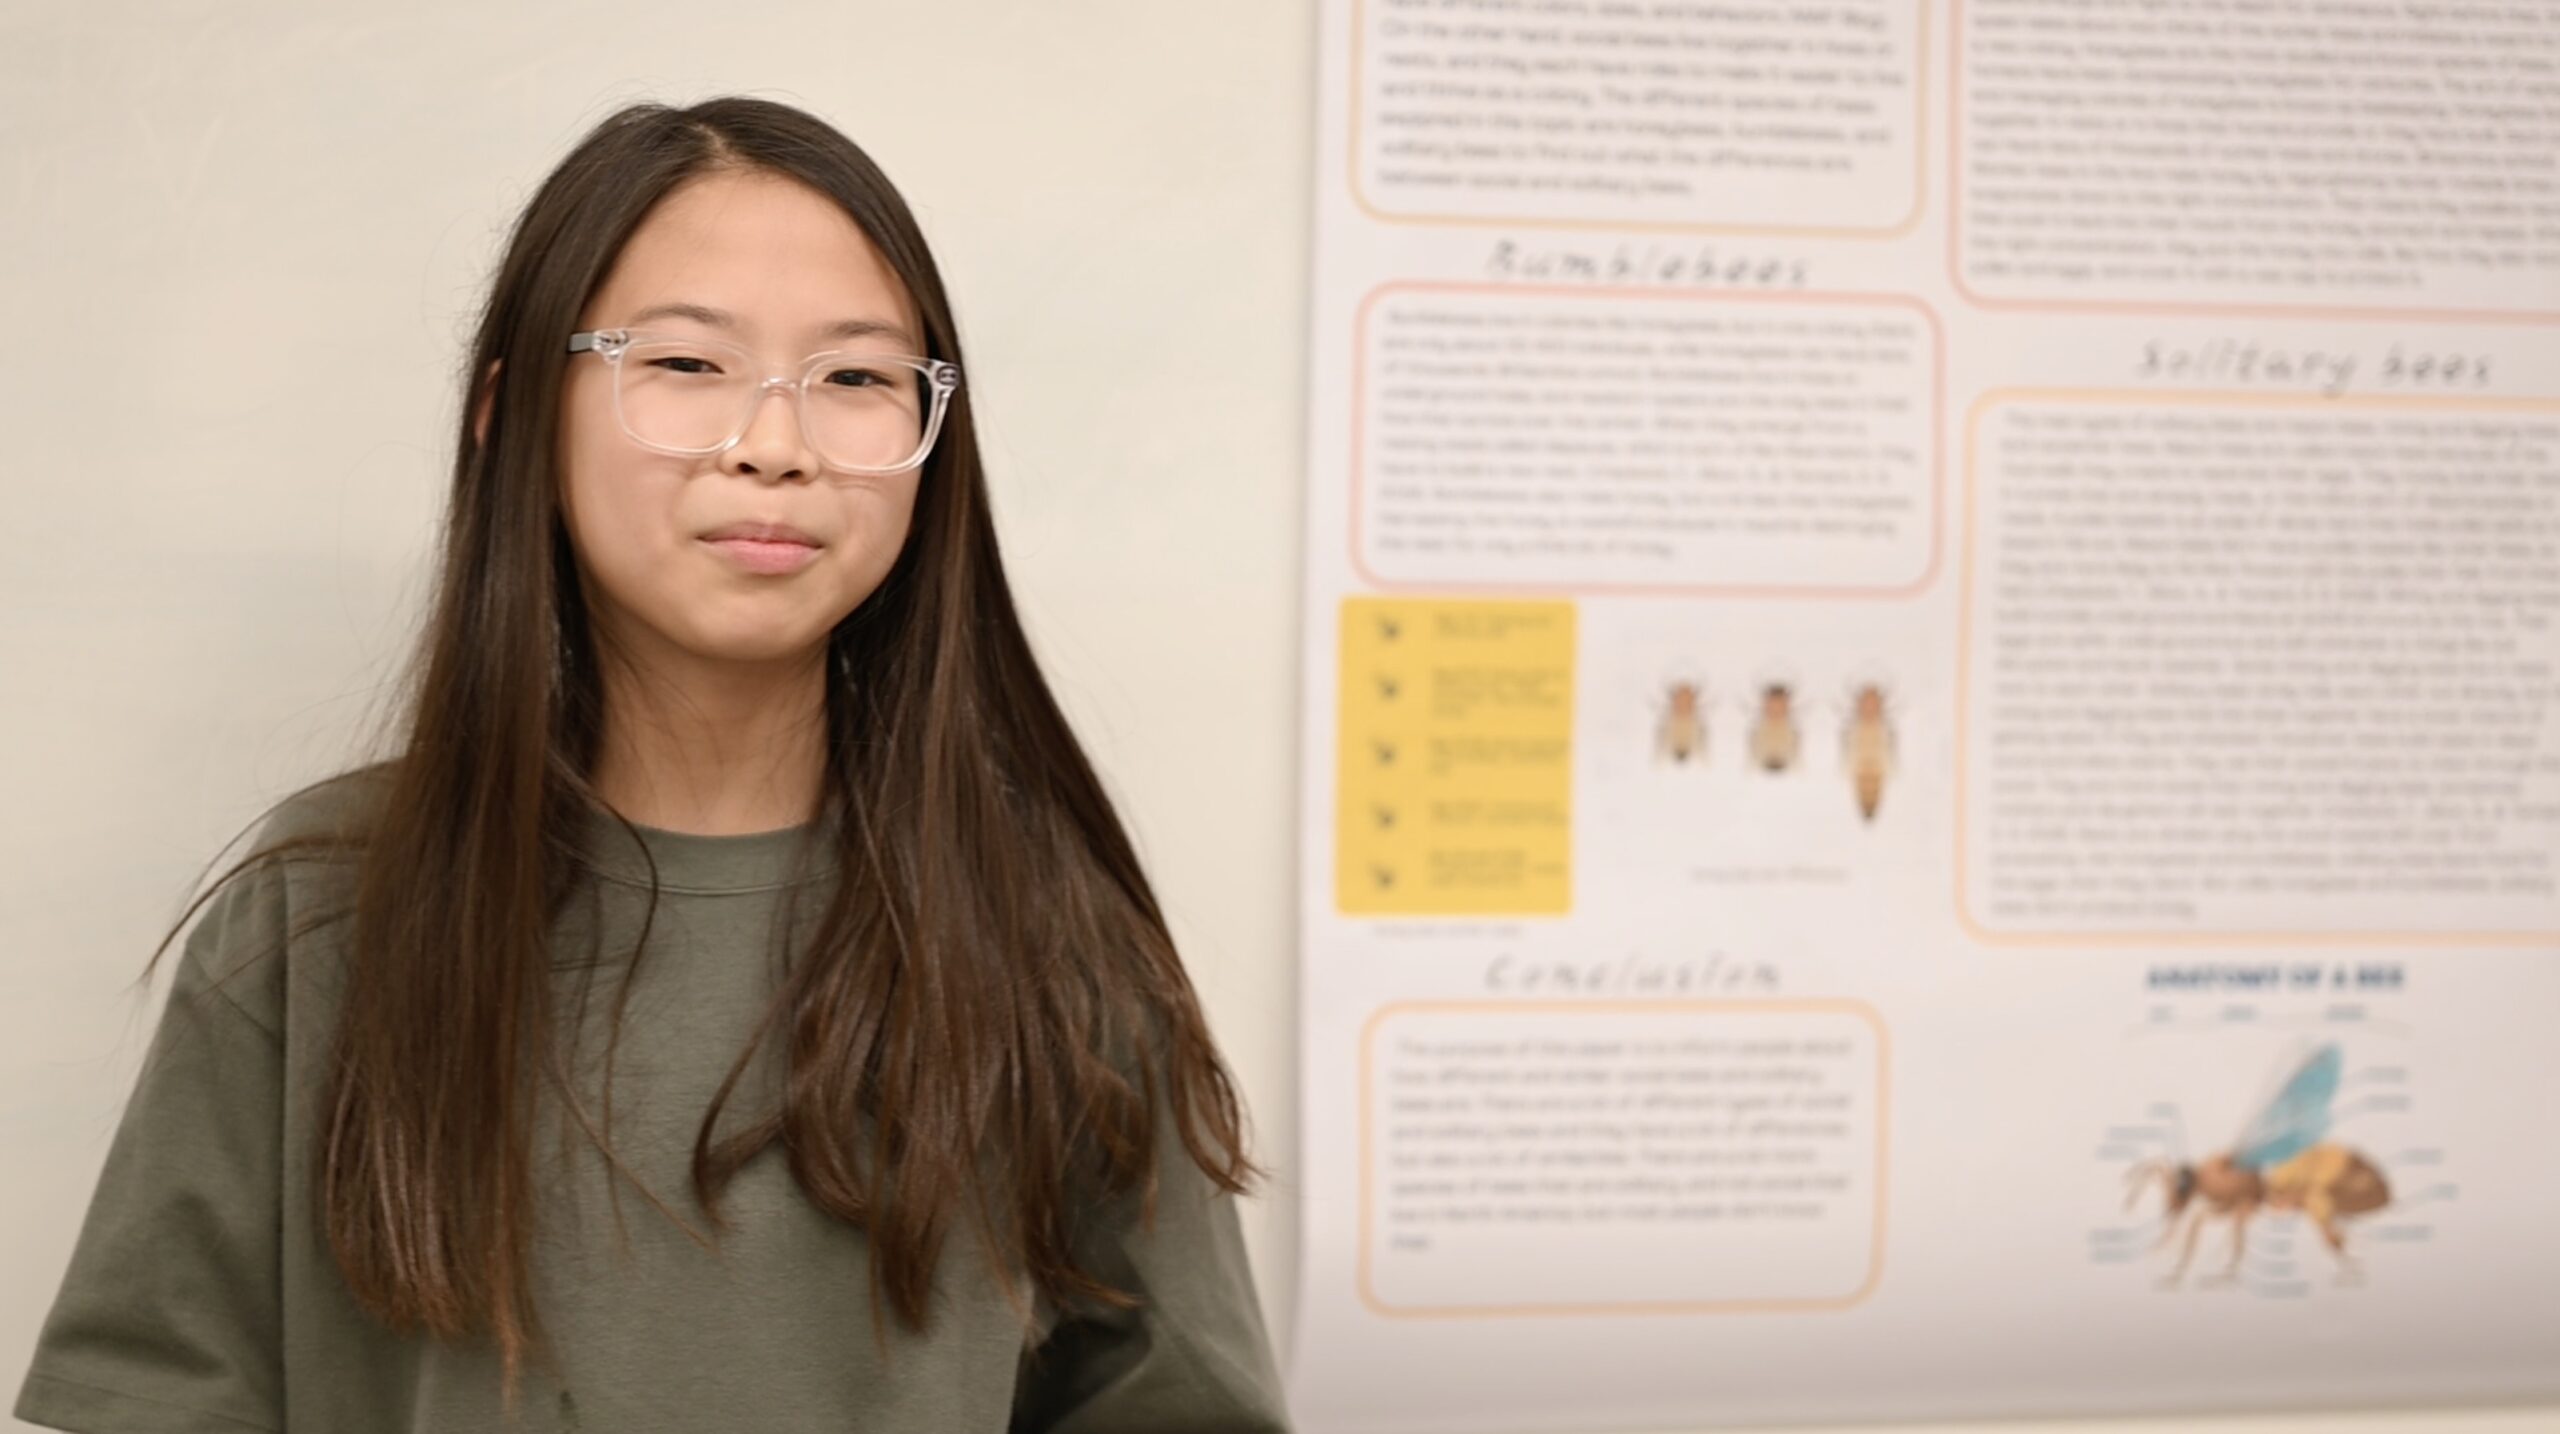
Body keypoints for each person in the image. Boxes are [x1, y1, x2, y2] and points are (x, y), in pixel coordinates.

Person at [14, 95, 1291, 1432]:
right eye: (686, 362)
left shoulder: (1045, 932)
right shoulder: (319, 910)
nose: (776, 445)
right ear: (511, 415)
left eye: (858, 379)